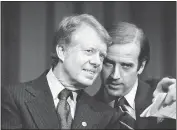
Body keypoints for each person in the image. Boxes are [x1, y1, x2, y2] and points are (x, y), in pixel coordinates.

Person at [1, 14, 122, 129]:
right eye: (89, 51)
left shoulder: (107, 116)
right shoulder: (14, 98)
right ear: (62, 51)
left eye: (102, 56)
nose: (97, 62)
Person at [94, 22, 176, 129]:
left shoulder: (164, 98)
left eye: (126, 65)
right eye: (108, 63)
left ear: (141, 66)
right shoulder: (84, 112)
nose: (115, 75)